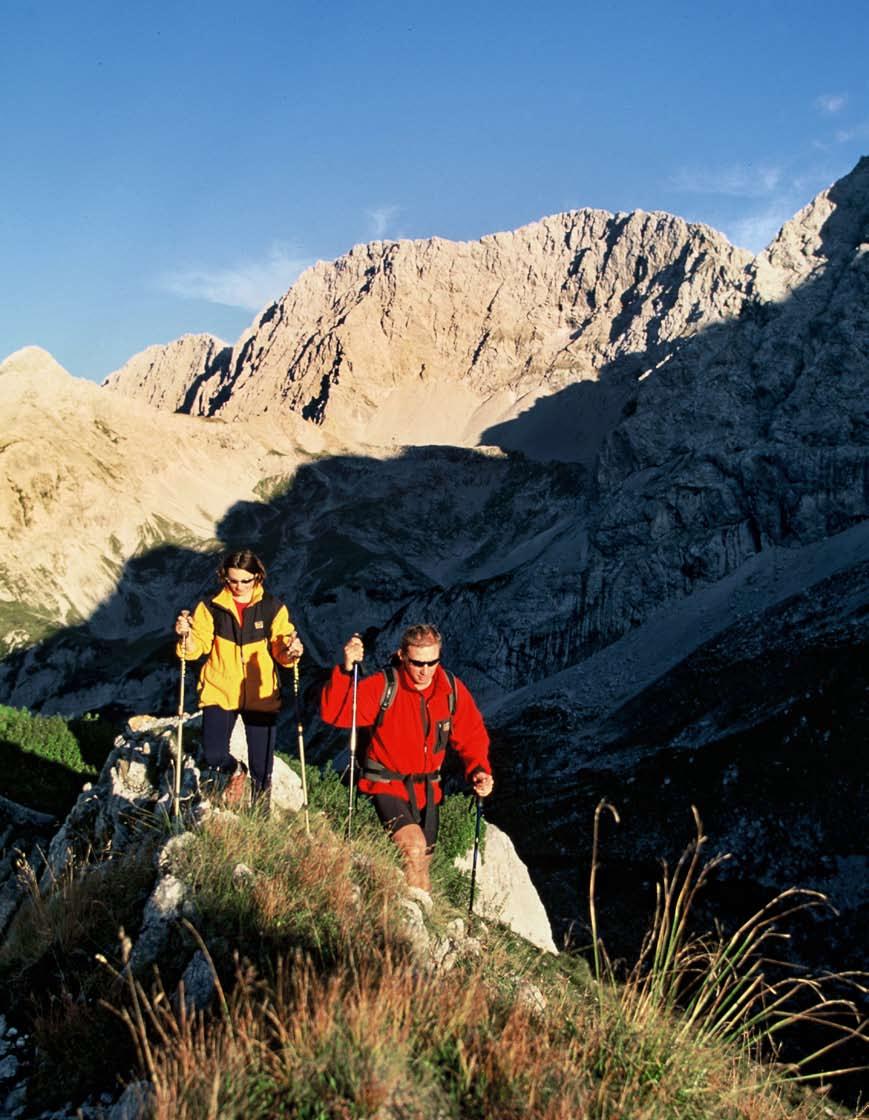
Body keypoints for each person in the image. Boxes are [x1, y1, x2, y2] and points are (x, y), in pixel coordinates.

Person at [320, 623, 493, 893]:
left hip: (428, 791)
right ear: (402, 655)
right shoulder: (384, 686)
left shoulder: (450, 689)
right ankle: (412, 929)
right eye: (417, 663)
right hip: (386, 785)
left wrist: (479, 769)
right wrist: (344, 670)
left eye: (432, 662)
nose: (425, 670)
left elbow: (471, 735)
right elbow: (337, 713)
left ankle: (417, 918)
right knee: (413, 848)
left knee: (422, 862)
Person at [175, 548, 303, 806]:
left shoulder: (272, 608)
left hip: (261, 693)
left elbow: (281, 647)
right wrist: (185, 637)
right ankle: (235, 770)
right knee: (213, 754)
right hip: (220, 689)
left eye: (246, 580)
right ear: (224, 577)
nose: (239, 586)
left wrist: (292, 651)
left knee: (262, 769)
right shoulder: (210, 607)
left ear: (258, 577)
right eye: (232, 580)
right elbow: (197, 647)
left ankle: (260, 818)